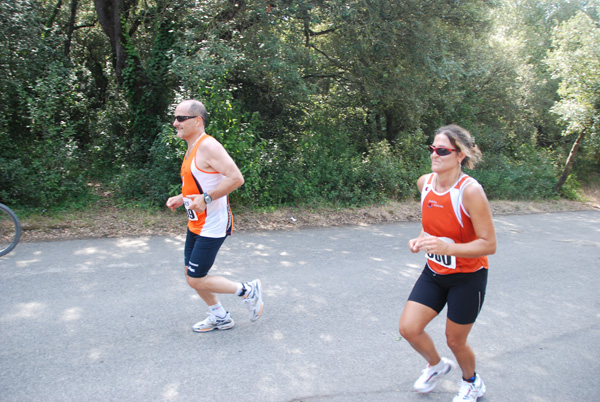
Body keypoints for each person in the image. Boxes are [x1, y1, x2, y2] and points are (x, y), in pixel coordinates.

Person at [399, 124, 496, 401]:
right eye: (432, 148)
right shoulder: (424, 183)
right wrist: (420, 240)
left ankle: (472, 382)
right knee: (409, 329)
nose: (434, 154)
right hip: (434, 271)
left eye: (442, 150)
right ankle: (436, 365)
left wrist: (448, 247)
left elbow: (489, 244)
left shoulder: (470, 191)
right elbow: (431, 228)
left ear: (460, 155)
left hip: (468, 276)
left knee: (455, 340)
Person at [166, 99, 263, 333]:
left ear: (197, 121)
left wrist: (207, 198)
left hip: (213, 224)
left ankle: (247, 290)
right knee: (194, 275)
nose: (174, 123)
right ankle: (220, 317)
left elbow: (236, 178)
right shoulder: (192, 147)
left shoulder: (208, 146)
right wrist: (183, 197)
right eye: (175, 118)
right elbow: (202, 182)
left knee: (195, 278)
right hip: (196, 222)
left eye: (180, 118)